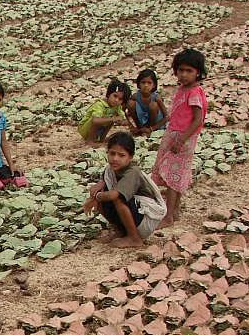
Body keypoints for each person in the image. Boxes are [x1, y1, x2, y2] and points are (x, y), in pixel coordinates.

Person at [152, 49, 208, 228]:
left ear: (198, 72)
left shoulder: (194, 93)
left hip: (182, 138)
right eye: (181, 70)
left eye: (188, 71)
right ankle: (174, 211)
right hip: (174, 134)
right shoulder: (183, 89)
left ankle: (168, 216)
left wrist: (181, 140)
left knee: (171, 175)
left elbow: (198, 120)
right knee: (173, 173)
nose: (183, 74)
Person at [82, 132, 166, 249]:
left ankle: (134, 238)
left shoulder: (133, 172)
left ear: (130, 157)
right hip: (133, 215)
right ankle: (120, 232)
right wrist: (96, 192)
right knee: (105, 194)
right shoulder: (110, 170)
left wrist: (95, 197)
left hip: (145, 219)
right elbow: (103, 184)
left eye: (121, 155)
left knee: (117, 197)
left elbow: (113, 195)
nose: (115, 158)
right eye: (112, 153)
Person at [127, 69, 168, 136]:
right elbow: (125, 110)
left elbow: (166, 117)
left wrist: (151, 128)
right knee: (131, 103)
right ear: (139, 84)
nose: (146, 85)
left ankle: (148, 130)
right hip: (142, 121)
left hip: (156, 124)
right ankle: (140, 128)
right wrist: (131, 125)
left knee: (153, 105)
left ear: (154, 85)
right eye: (143, 82)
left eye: (149, 83)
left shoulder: (157, 98)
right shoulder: (136, 96)